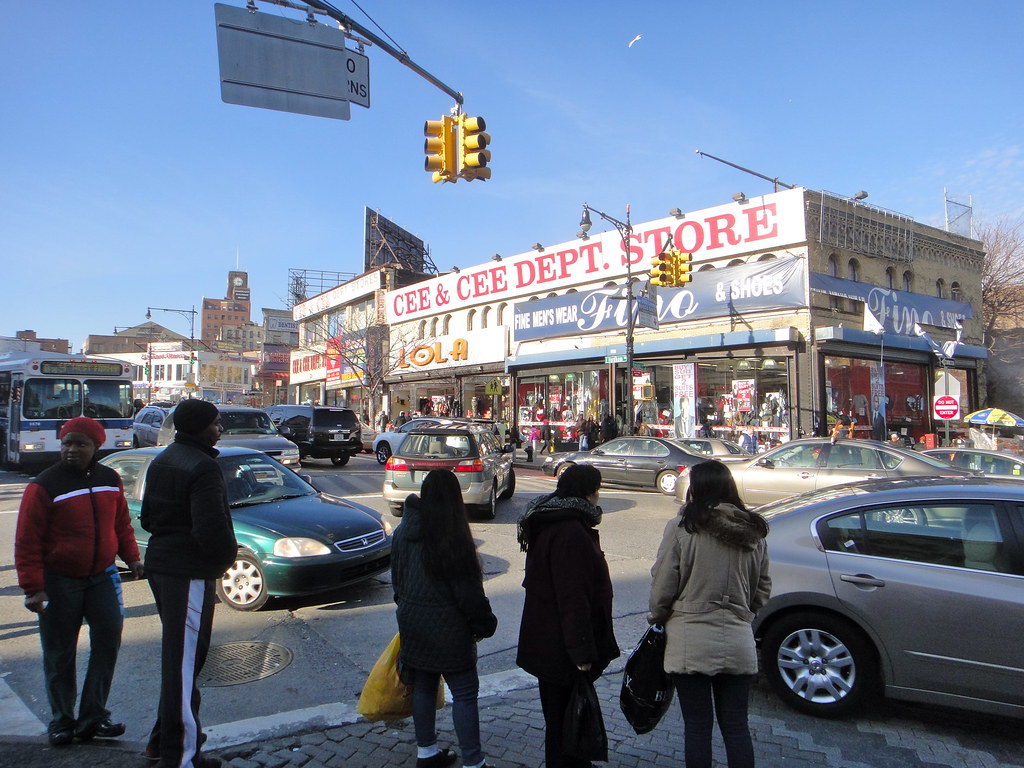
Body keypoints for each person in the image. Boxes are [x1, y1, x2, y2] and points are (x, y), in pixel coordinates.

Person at [15, 417, 144, 747]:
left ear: (96, 447)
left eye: (80, 444)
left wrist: (132, 558)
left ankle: (93, 716)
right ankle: (62, 721)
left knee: (108, 641)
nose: (71, 450)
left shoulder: (109, 479)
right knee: (59, 654)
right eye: (67, 443)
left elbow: (122, 524)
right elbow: (27, 541)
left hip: (102, 576)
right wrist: (33, 587)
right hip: (59, 582)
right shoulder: (44, 485)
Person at [649, 460, 771, 768]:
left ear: (696, 488)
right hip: (738, 639)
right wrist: (744, 612)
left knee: (697, 727)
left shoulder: (682, 527)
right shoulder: (753, 531)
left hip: (689, 639)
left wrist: (658, 616)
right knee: (736, 725)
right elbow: (763, 586)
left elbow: (664, 582)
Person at [141, 399, 237, 768]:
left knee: (184, 661)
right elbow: (211, 527)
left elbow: (148, 518)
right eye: (215, 423)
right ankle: (179, 755)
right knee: (182, 665)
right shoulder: (202, 466)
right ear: (199, 427)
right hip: (188, 572)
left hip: (165, 566)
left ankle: (162, 740)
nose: (219, 429)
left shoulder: (163, 459)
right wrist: (225, 560)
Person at [391, 470, 498, 768]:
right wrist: (483, 625)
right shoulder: (452, 536)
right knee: (464, 694)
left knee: (423, 687)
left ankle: (426, 753)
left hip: (413, 626)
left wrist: (408, 611)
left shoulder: (403, 532)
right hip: (450, 631)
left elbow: (397, 583)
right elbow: (469, 595)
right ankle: (474, 762)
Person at [516, 464, 620, 768]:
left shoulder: (553, 519)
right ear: (588, 493)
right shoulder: (570, 531)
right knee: (565, 722)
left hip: (549, 640)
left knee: (561, 719)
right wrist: (581, 651)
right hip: (560, 646)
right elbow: (572, 596)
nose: (598, 496)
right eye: (597, 490)